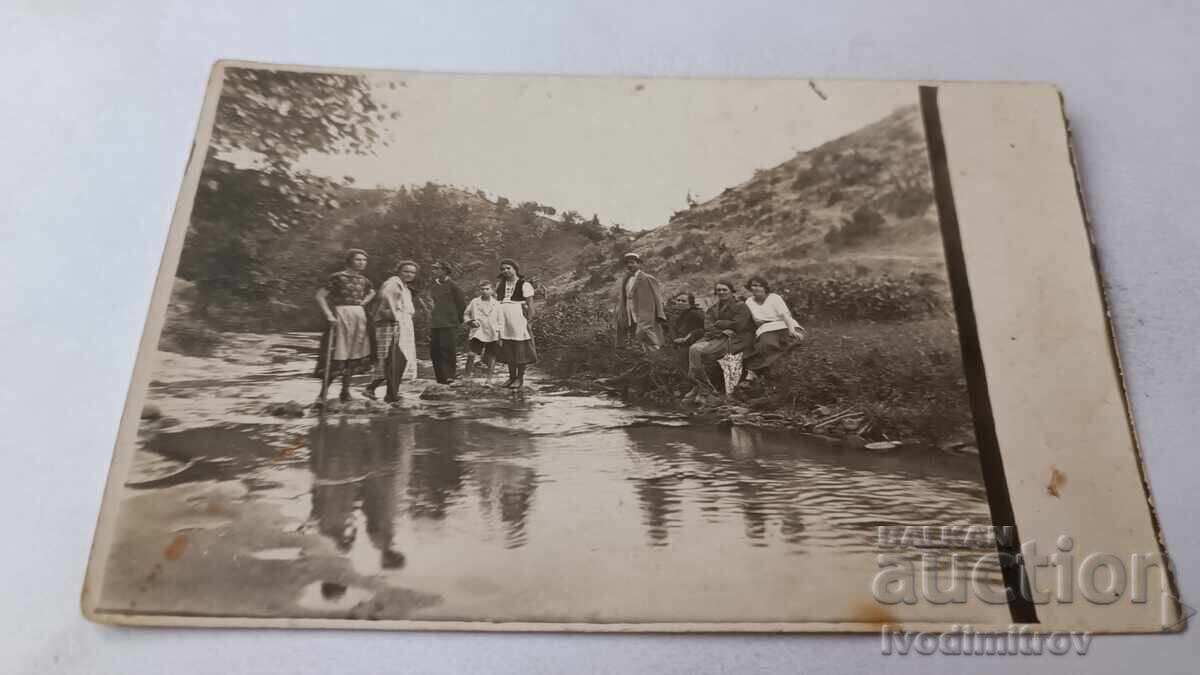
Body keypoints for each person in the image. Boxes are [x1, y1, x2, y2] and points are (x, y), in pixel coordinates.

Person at [314, 249, 376, 402]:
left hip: (358, 316)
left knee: (354, 353)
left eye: (364, 260)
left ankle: (345, 392)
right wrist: (329, 315)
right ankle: (322, 394)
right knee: (337, 353)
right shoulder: (337, 277)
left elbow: (372, 292)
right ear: (349, 260)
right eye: (358, 259)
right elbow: (320, 296)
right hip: (341, 316)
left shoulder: (364, 280)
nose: (361, 263)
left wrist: (363, 302)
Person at [683, 280, 755, 400]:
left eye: (724, 289)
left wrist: (720, 323)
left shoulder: (740, 306)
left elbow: (739, 325)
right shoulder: (713, 308)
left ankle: (702, 387)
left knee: (696, 350)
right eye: (719, 290)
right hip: (717, 337)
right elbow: (708, 326)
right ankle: (701, 386)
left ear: (731, 291)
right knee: (694, 349)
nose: (721, 292)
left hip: (736, 339)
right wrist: (722, 330)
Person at [365, 260, 420, 401]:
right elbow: (385, 297)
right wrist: (395, 316)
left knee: (399, 358)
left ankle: (389, 392)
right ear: (399, 271)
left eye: (412, 272)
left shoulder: (404, 287)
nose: (409, 274)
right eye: (406, 271)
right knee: (391, 357)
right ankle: (380, 391)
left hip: (404, 324)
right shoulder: (393, 283)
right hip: (392, 324)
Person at [740, 277, 805, 391]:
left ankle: (756, 372)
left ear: (765, 287)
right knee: (765, 345)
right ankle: (753, 373)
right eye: (754, 285)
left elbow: (785, 315)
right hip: (766, 328)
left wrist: (791, 330)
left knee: (793, 340)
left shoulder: (774, 297)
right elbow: (753, 321)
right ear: (750, 288)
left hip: (785, 324)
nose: (757, 288)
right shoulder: (749, 302)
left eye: (760, 285)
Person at [495, 258, 538, 389]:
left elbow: (530, 304)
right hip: (504, 318)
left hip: (518, 318)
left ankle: (520, 378)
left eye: (508, 268)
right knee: (508, 347)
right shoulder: (500, 285)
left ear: (515, 269)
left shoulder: (524, 285)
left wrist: (529, 320)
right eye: (503, 269)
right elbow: (497, 303)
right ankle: (511, 377)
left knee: (520, 348)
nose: (505, 271)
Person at [614, 252, 666, 351]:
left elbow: (656, 297)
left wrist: (658, 313)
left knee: (644, 331)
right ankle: (647, 354)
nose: (629, 265)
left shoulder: (647, 278)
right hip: (630, 311)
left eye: (632, 262)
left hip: (644, 312)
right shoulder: (626, 279)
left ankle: (658, 348)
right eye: (627, 263)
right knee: (635, 335)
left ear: (639, 264)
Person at [427, 261, 467, 384]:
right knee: (435, 350)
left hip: (450, 323)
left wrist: (457, 321)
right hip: (436, 323)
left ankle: (449, 376)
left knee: (448, 349)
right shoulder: (434, 286)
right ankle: (440, 378)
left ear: (445, 271)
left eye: (437, 269)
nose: (434, 271)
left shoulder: (453, 286)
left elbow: (462, 305)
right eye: (433, 268)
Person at [463, 280, 503, 383]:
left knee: (491, 355)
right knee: (471, 353)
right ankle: (466, 377)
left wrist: (500, 335)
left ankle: (489, 379)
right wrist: (470, 321)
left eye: (487, 289)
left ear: (492, 290)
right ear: (479, 290)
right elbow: (466, 314)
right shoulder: (474, 302)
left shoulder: (497, 304)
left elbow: (501, 321)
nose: (484, 291)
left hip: (492, 332)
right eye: (482, 289)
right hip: (478, 331)